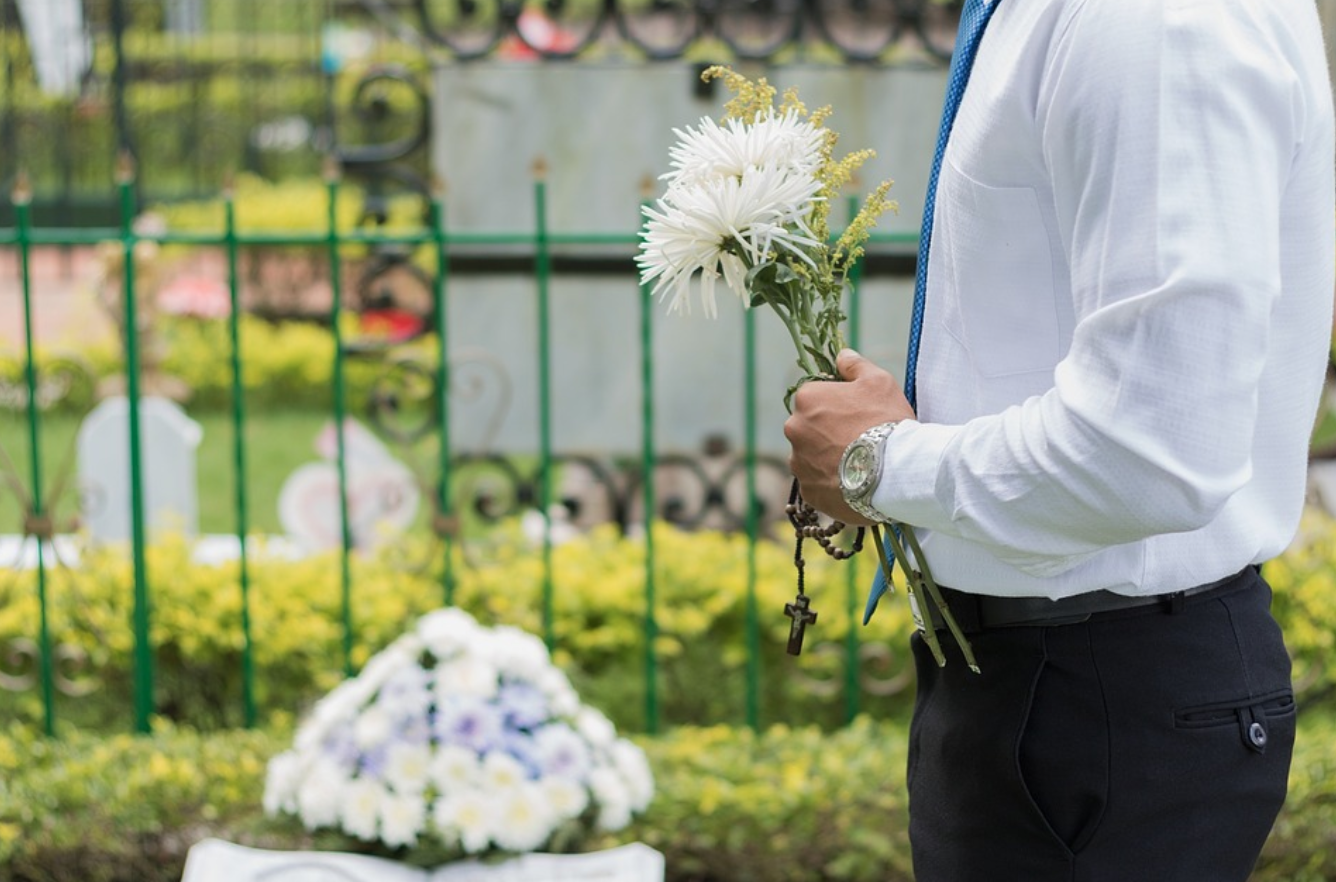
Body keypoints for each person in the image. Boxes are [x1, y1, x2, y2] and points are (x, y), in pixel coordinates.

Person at [783, 1, 1336, 880]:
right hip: (1050, 686)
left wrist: (880, 462)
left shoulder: (1152, 21)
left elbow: (1149, 453)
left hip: (1099, 700)